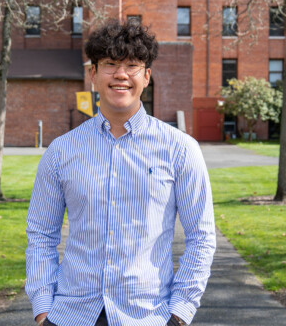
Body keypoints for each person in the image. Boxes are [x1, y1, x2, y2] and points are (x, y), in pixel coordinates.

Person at [25, 20, 216, 326]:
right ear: (93, 74)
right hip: (71, 315)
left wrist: (180, 312)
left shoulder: (180, 149)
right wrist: (43, 307)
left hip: (148, 316)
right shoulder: (61, 151)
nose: (121, 74)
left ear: (147, 76)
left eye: (132, 65)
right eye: (110, 64)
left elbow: (202, 237)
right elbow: (41, 235)